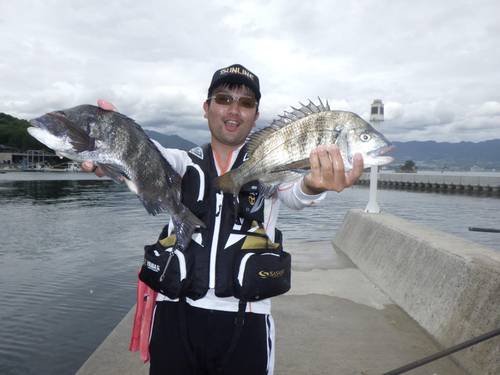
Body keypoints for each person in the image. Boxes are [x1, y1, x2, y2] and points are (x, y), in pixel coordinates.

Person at [83, 64, 364, 375]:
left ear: (256, 115)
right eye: (223, 99)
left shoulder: (270, 163)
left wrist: (314, 183)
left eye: (246, 103)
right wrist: (112, 135)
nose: (234, 109)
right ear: (207, 108)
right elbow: (147, 152)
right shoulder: (181, 162)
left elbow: (296, 192)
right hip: (174, 314)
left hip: (247, 319)